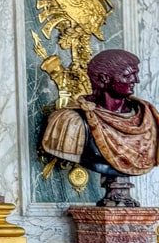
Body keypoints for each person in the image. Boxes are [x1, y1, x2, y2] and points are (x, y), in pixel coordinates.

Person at [40, 49, 159, 204]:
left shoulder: (148, 117)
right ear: (104, 78)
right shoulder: (72, 121)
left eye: (135, 74)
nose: (135, 80)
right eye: (127, 75)